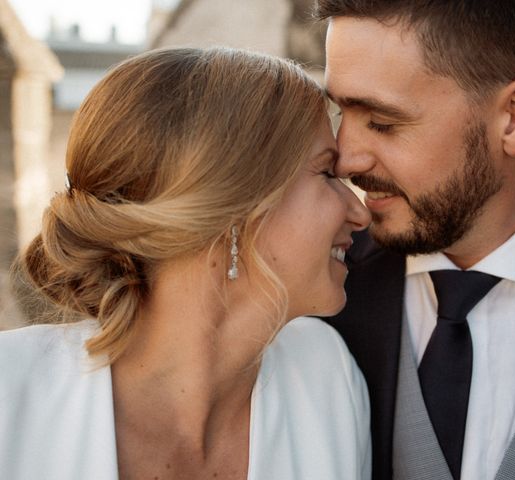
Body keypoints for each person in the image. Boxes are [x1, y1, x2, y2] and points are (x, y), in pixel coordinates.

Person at [0, 47, 372, 480]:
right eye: (327, 174)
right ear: (233, 206)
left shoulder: (327, 376)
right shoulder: (9, 390)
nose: (359, 213)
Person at [314, 1, 515, 479]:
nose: (346, 159)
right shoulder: (312, 301)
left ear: (514, 117)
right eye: (340, 111)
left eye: (382, 122)